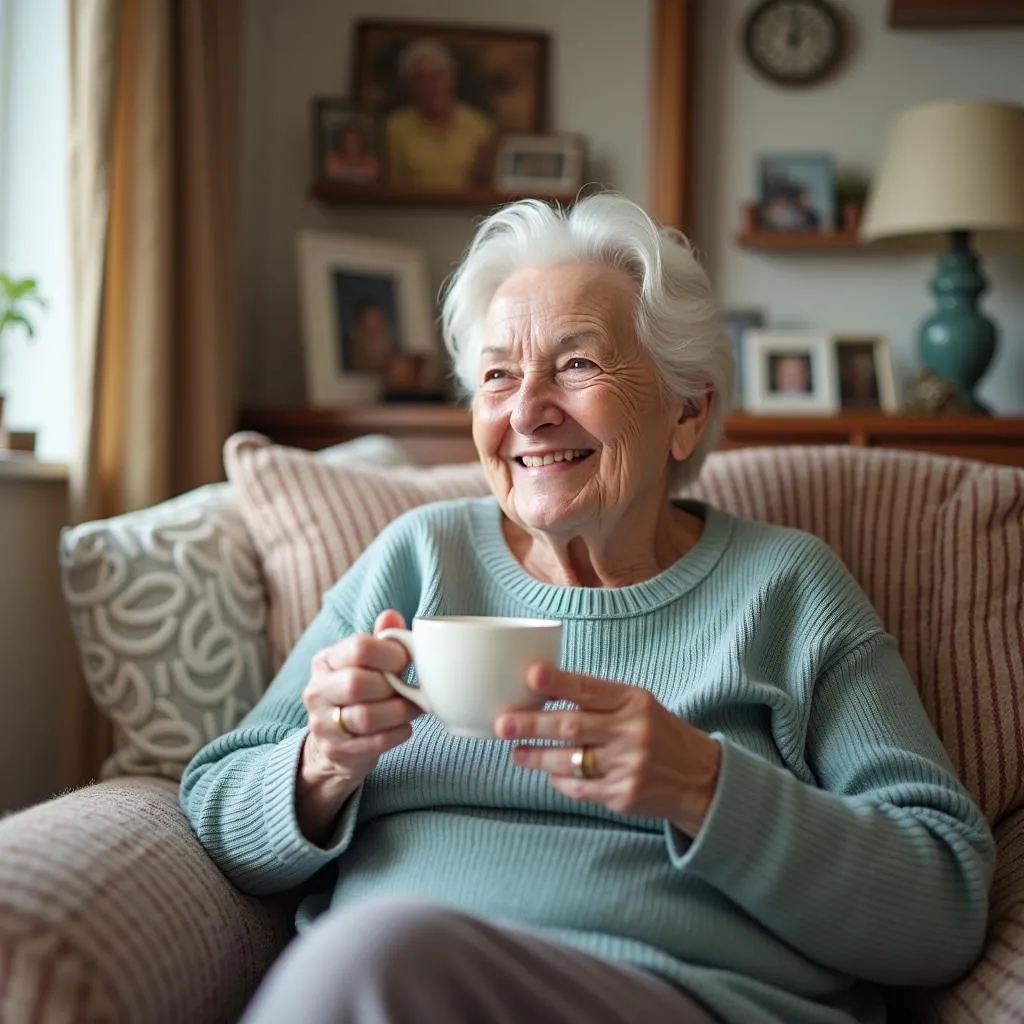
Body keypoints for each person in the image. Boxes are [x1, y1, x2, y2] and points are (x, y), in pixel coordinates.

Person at [181, 194, 994, 1024]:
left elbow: (943, 904)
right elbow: (213, 807)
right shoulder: (419, 558)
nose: (526, 409)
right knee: (374, 958)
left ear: (687, 410)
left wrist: (705, 789)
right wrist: (321, 762)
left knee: (373, 957)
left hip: (676, 999)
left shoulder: (785, 588)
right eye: (497, 374)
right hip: (394, 987)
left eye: (576, 365)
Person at [385, 38, 495, 190]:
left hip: (466, 211)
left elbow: (488, 186)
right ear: (409, 85)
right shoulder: (396, 126)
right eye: (421, 78)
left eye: (437, 76)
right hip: (411, 211)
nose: (431, 86)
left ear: (451, 79)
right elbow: (390, 186)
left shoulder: (478, 125)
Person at [343, 297, 396, 375]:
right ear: (362, 319)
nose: (375, 321)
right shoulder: (354, 341)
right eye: (370, 317)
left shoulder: (391, 339)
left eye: (377, 316)